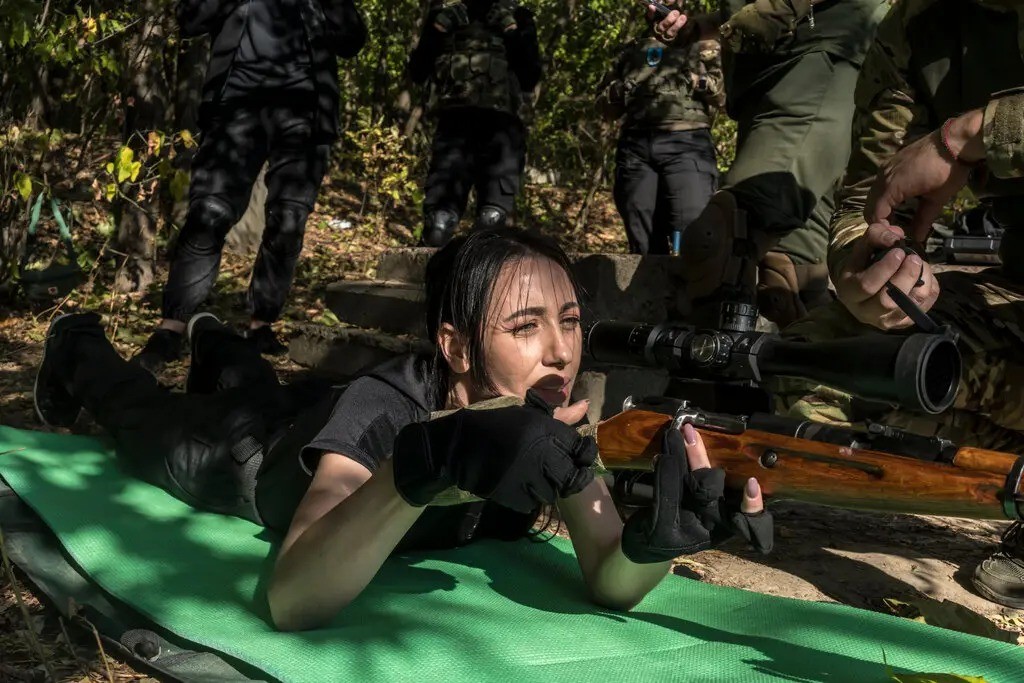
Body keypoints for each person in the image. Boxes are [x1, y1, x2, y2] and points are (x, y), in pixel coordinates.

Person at [33, 228, 773, 631]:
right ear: (454, 347)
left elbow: (608, 572)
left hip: (308, 409)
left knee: (267, 382)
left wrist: (651, 546)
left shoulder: (557, 414)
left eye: (571, 322)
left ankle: (216, 341)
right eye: (526, 326)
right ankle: (75, 342)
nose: (560, 350)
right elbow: (292, 598)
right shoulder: (387, 407)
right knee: (139, 418)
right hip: (249, 456)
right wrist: (425, 466)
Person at [727, 0, 1024, 608]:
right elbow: (868, 191)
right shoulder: (917, 25)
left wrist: (972, 135)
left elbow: (953, 146)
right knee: (818, 367)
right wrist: (868, 266)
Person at [134, 0, 367, 371]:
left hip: (305, 109)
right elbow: (190, 18)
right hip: (236, 103)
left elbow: (353, 40)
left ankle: (262, 322)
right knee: (209, 212)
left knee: (289, 219)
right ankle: (171, 327)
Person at [650, 0, 888, 327]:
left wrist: (783, 5)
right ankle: (805, 376)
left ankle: (698, 375)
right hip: (766, 75)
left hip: (823, 56)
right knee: (791, 277)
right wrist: (699, 28)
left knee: (724, 235)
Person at [408, 0, 542, 247]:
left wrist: (511, 30)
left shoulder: (518, 16)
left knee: (491, 221)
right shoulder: (445, 13)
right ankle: (428, 279)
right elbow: (417, 71)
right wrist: (438, 29)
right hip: (455, 125)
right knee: (439, 221)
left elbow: (530, 75)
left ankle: (480, 281)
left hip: (502, 129)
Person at [597, 24, 724, 255]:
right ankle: (649, 288)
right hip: (637, 146)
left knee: (695, 236)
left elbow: (725, 98)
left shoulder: (704, 46)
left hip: (688, 142)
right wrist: (622, 88)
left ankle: (693, 289)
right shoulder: (630, 50)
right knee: (642, 238)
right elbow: (605, 108)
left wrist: (698, 80)